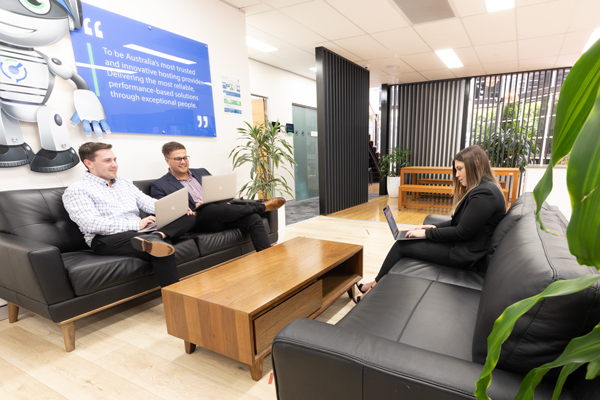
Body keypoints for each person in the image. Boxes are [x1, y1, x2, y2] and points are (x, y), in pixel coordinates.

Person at [354, 145, 506, 303]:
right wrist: (435, 227)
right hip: (464, 248)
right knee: (408, 239)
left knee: (402, 245)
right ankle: (373, 283)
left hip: (465, 255)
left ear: (476, 164)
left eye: (460, 169)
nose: (457, 174)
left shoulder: (485, 194)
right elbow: (462, 223)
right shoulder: (486, 189)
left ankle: (370, 292)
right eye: (456, 169)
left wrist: (426, 233)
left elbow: (462, 232)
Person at [63, 142, 196, 287]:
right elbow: (90, 223)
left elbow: (148, 202)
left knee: (187, 216)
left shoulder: (124, 183)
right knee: (159, 246)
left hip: (141, 232)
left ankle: (156, 236)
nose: (114, 164)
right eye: (107, 161)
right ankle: (174, 297)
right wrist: (136, 224)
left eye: (114, 159)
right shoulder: (77, 190)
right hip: (106, 238)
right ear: (89, 163)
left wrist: (175, 209)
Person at [150, 141, 285, 252]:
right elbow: (164, 213)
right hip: (199, 221)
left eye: (185, 157)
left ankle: (267, 257)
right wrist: (193, 209)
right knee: (209, 208)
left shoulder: (201, 172)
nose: (183, 162)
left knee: (253, 218)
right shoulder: (160, 185)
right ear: (167, 161)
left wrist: (222, 198)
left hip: (223, 213)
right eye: (178, 159)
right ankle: (261, 206)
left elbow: (222, 195)